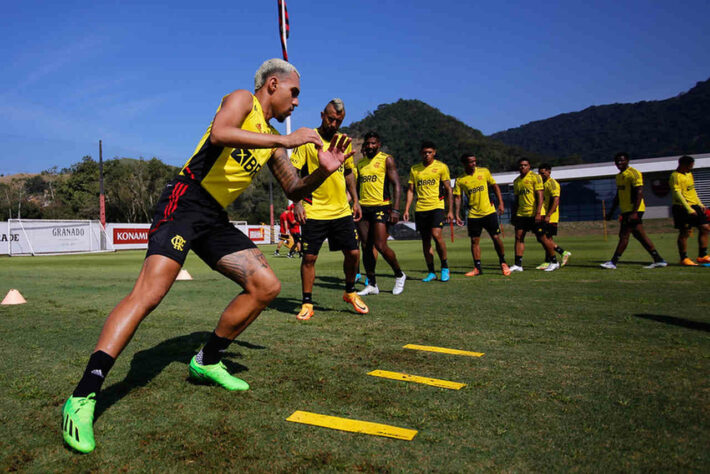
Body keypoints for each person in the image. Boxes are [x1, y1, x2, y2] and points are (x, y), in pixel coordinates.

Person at [61, 58, 354, 454]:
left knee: (266, 285)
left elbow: (296, 189)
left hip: (214, 216)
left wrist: (324, 171)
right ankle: (83, 394)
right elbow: (220, 133)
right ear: (272, 85)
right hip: (185, 201)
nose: (297, 102)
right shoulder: (241, 101)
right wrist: (285, 140)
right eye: (295, 92)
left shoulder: (270, 140)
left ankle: (207, 359)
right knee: (148, 294)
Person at [291, 98, 368, 320]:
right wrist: (297, 202)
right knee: (309, 258)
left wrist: (355, 200)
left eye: (339, 121)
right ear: (322, 115)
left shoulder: (344, 141)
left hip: (341, 210)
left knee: (353, 253)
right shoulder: (308, 141)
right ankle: (307, 303)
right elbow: (293, 173)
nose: (334, 124)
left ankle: (350, 291)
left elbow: (349, 173)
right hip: (314, 210)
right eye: (331, 119)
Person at [355, 131, 407, 296]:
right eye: (368, 143)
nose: (370, 146)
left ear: (378, 144)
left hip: (381, 207)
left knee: (381, 245)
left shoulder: (386, 159)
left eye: (373, 143)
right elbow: (357, 188)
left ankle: (399, 275)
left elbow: (397, 185)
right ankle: (372, 284)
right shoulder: (361, 164)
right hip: (363, 208)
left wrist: (396, 209)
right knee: (365, 246)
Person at [601, 152, 667, 269]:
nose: (619, 163)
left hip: (634, 210)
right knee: (640, 236)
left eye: (622, 160)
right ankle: (658, 259)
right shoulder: (619, 176)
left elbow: (639, 193)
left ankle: (613, 262)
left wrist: (635, 212)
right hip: (626, 210)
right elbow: (618, 195)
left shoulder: (634, 174)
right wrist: (611, 211)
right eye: (617, 161)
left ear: (627, 161)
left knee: (624, 235)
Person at [453, 153, 511, 276]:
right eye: (471, 162)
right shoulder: (460, 180)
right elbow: (457, 198)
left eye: (475, 161)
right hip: (473, 214)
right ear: (464, 164)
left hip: (489, 212)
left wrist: (501, 203)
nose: (474, 164)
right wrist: (457, 214)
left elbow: (495, 187)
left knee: (496, 237)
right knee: (474, 241)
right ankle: (477, 268)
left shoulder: (484, 172)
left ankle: (503, 262)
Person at [403, 141, 453, 282]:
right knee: (425, 240)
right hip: (421, 209)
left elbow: (449, 189)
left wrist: (450, 210)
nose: (427, 155)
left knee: (437, 235)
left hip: (437, 206)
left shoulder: (441, 167)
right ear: (421, 153)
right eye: (424, 152)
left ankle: (444, 267)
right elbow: (411, 190)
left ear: (434, 152)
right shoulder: (415, 169)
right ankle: (431, 272)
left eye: (429, 152)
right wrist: (407, 209)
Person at [510, 158, 559, 272]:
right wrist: (514, 214)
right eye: (521, 165)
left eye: (525, 165)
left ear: (529, 166)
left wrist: (538, 213)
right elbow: (517, 199)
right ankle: (518, 264)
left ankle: (554, 261)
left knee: (543, 238)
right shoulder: (516, 181)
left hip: (534, 214)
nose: (523, 167)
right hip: (521, 214)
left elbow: (540, 197)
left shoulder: (535, 177)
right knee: (519, 237)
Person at [669, 155, 710, 266]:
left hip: (694, 205)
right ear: (682, 165)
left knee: (705, 228)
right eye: (689, 166)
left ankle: (702, 256)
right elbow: (677, 194)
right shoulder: (675, 176)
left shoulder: (689, 174)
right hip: (682, 207)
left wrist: (700, 203)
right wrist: (688, 208)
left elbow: (692, 190)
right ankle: (684, 258)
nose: (690, 168)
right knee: (685, 232)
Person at [536, 164, 572, 269]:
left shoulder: (552, 184)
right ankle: (549, 260)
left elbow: (556, 201)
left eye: (542, 173)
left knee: (546, 238)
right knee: (544, 238)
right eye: (539, 173)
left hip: (551, 216)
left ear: (549, 172)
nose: (541, 175)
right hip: (544, 214)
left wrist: (549, 215)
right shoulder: (543, 183)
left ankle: (562, 253)